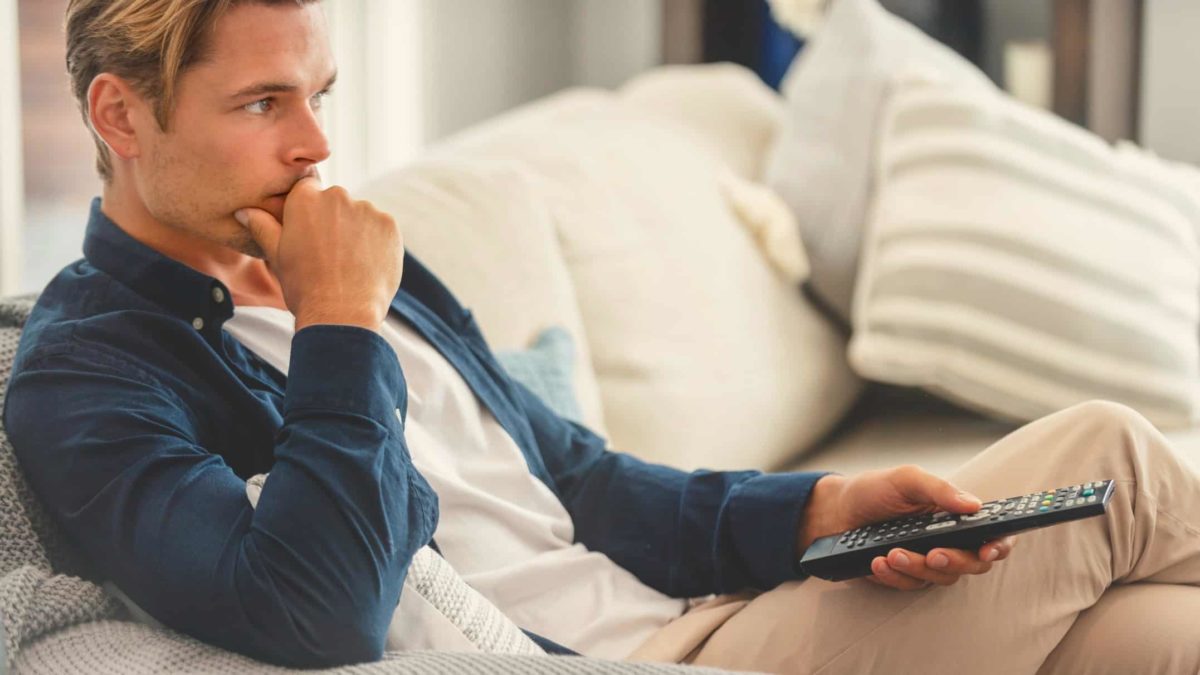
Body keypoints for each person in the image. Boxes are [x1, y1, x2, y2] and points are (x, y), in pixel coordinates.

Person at [5, 1, 1198, 673]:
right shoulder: (93, 369)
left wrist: (821, 508)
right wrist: (339, 322)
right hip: (633, 668)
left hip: (704, 615)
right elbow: (316, 608)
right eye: (265, 104)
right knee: (1112, 451)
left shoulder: (362, 257)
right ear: (122, 114)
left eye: (322, 95)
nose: (316, 144)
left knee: (1155, 640)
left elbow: (582, 481)